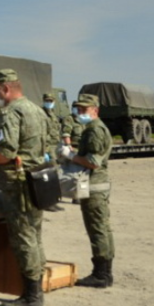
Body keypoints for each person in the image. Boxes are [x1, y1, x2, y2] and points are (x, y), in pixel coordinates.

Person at [0, 68, 48, 306]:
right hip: (36, 179)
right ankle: (36, 289)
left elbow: (6, 151)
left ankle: (31, 296)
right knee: (35, 234)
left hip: (17, 183)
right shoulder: (37, 110)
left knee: (23, 237)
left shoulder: (11, 112)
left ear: (6, 89)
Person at [61, 93, 115, 288]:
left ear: (95, 110)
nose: (80, 112)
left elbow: (92, 162)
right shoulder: (93, 128)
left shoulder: (94, 130)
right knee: (102, 228)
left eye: (84, 109)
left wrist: (71, 156)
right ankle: (105, 272)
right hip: (96, 185)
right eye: (78, 109)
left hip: (93, 186)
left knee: (97, 229)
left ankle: (101, 274)